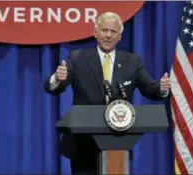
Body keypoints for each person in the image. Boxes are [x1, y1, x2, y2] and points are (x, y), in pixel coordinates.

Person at [44, 12, 171, 174]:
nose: (108, 35)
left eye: (113, 32)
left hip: (118, 142)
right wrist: (57, 78)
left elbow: (149, 88)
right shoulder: (77, 58)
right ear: (95, 32)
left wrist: (162, 87)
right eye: (104, 30)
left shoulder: (132, 61)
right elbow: (54, 87)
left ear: (119, 36)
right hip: (84, 144)